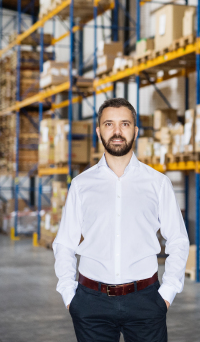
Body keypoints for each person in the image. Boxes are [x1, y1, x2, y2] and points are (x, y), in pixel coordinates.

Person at [53, 98, 189, 342]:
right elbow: (64, 243)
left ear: (135, 131)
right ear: (98, 131)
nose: (117, 131)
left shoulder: (158, 183)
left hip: (146, 300)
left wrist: (166, 293)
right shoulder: (81, 185)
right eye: (109, 124)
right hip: (90, 303)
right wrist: (68, 294)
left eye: (124, 124)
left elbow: (178, 240)